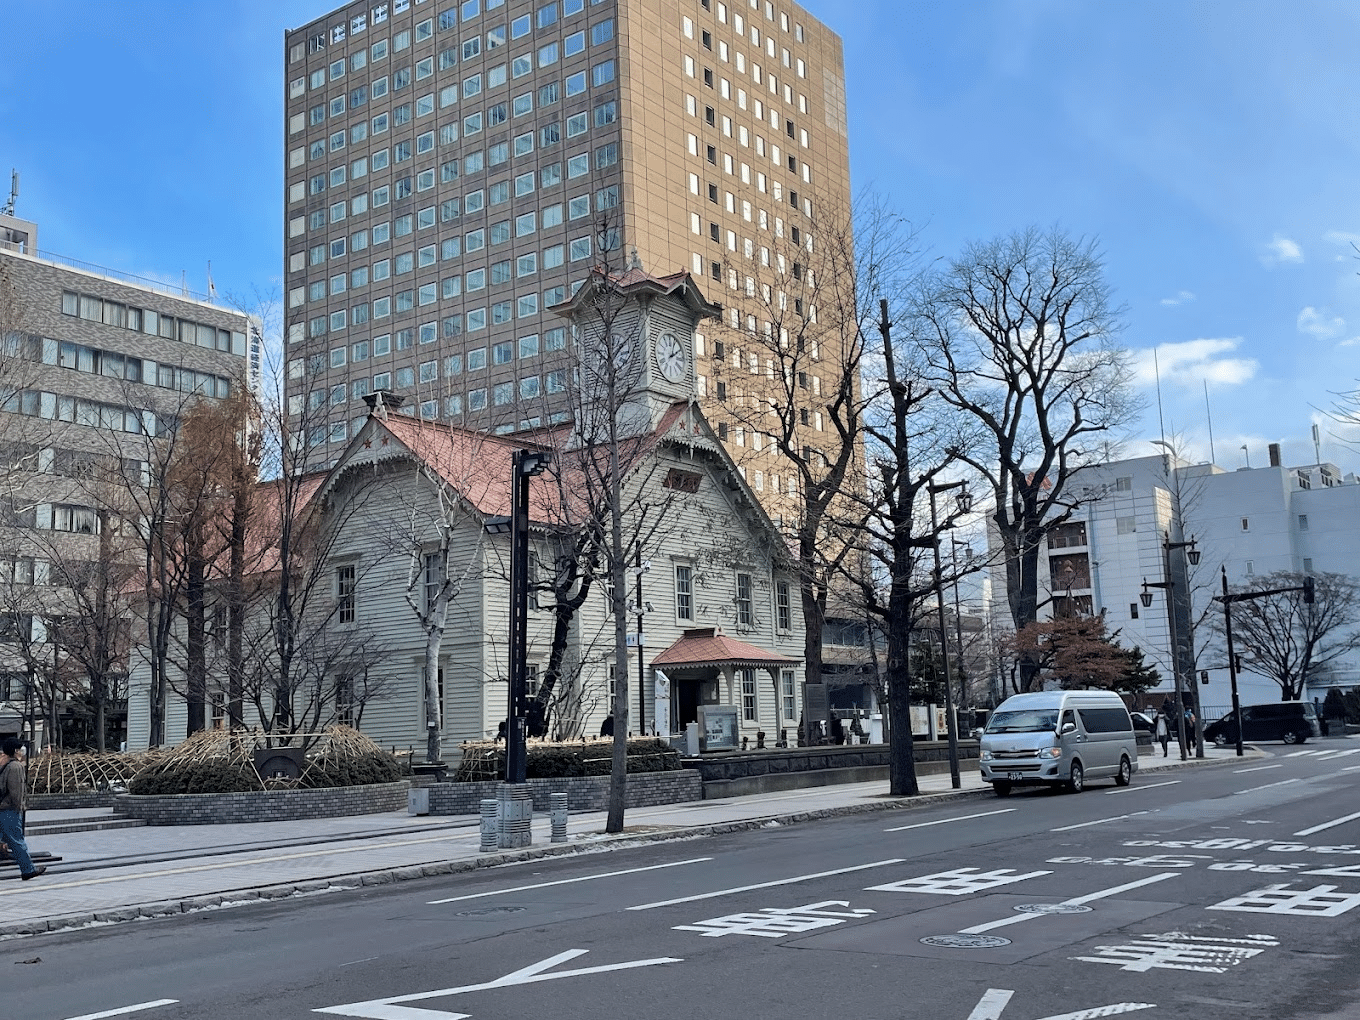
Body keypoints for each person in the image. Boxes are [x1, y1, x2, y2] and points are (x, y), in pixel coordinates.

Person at [0, 737, 45, 881]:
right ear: (15, 751)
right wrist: (20, 806)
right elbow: (16, 791)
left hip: (3, 807)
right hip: (9, 809)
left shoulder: (5, 765)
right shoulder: (15, 767)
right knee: (16, 840)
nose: (21, 752)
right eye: (19, 749)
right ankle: (28, 869)